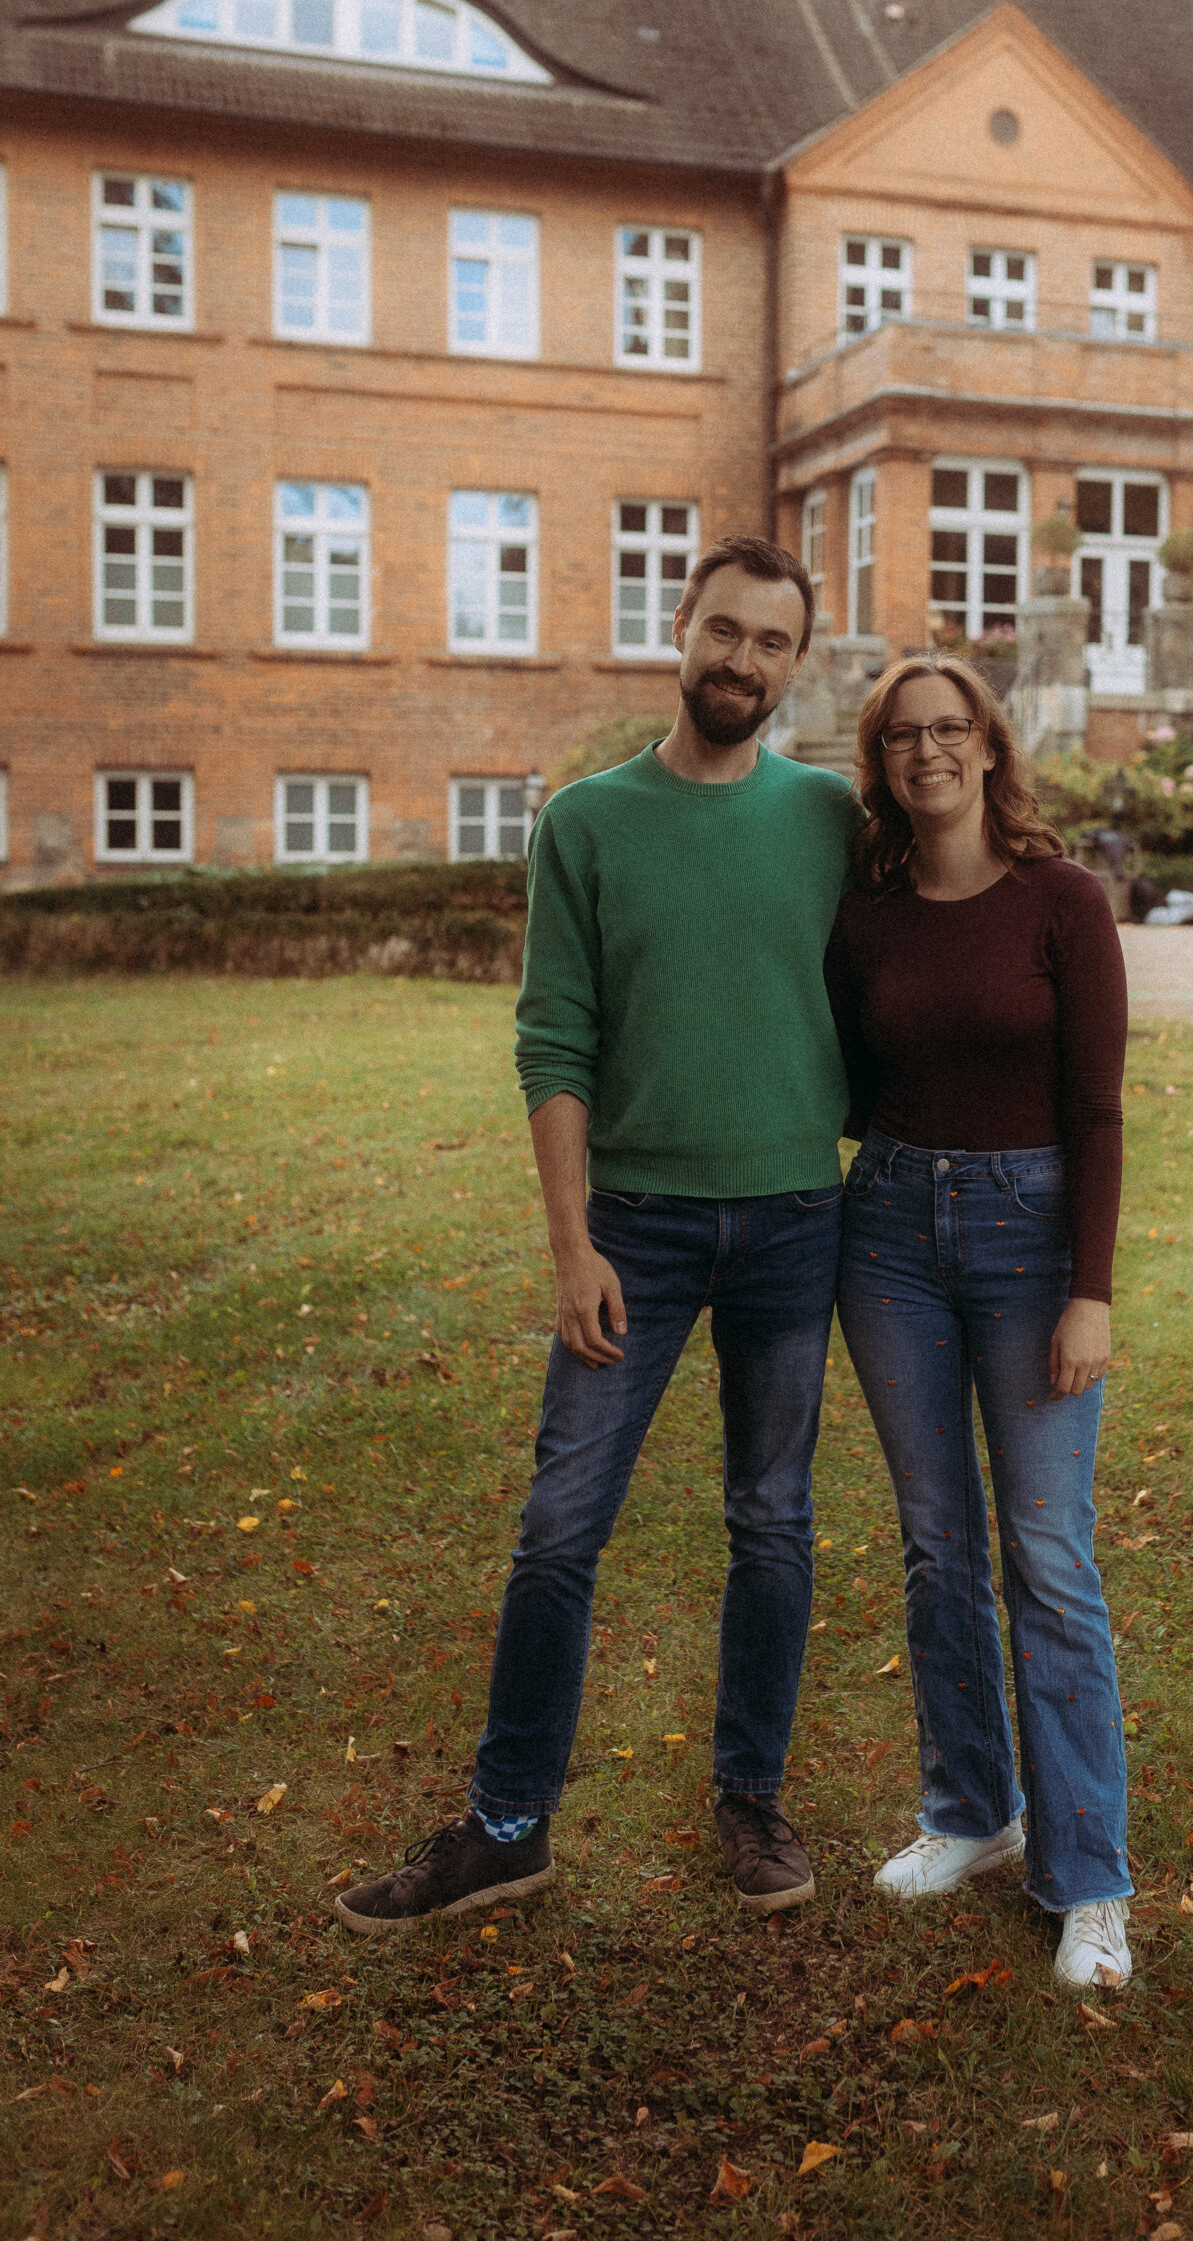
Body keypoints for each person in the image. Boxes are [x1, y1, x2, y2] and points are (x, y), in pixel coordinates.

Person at [335, 537, 857, 1936]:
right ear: (676, 629)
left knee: (774, 1524)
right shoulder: (586, 822)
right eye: (724, 631)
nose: (743, 660)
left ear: (797, 666)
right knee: (561, 1531)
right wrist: (574, 1244)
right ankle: (508, 1825)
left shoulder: (827, 818)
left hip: (800, 1218)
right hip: (637, 1225)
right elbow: (553, 1040)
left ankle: (750, 1794)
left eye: (773, 643)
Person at [825, 657, 1134, 1988]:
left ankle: (1091, 1883)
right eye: (904, 737)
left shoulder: (1063, 902)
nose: (929, 752)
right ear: (883, 762)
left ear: (990, 748)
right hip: (887, 1235)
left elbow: (1100, 1112)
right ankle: (970, 1814)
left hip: (1030, 1241)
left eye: (951, 729)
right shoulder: (868, 916)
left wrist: (1091, 1290)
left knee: (1048, 1558)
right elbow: (837, 1083)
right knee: (939, 1546)